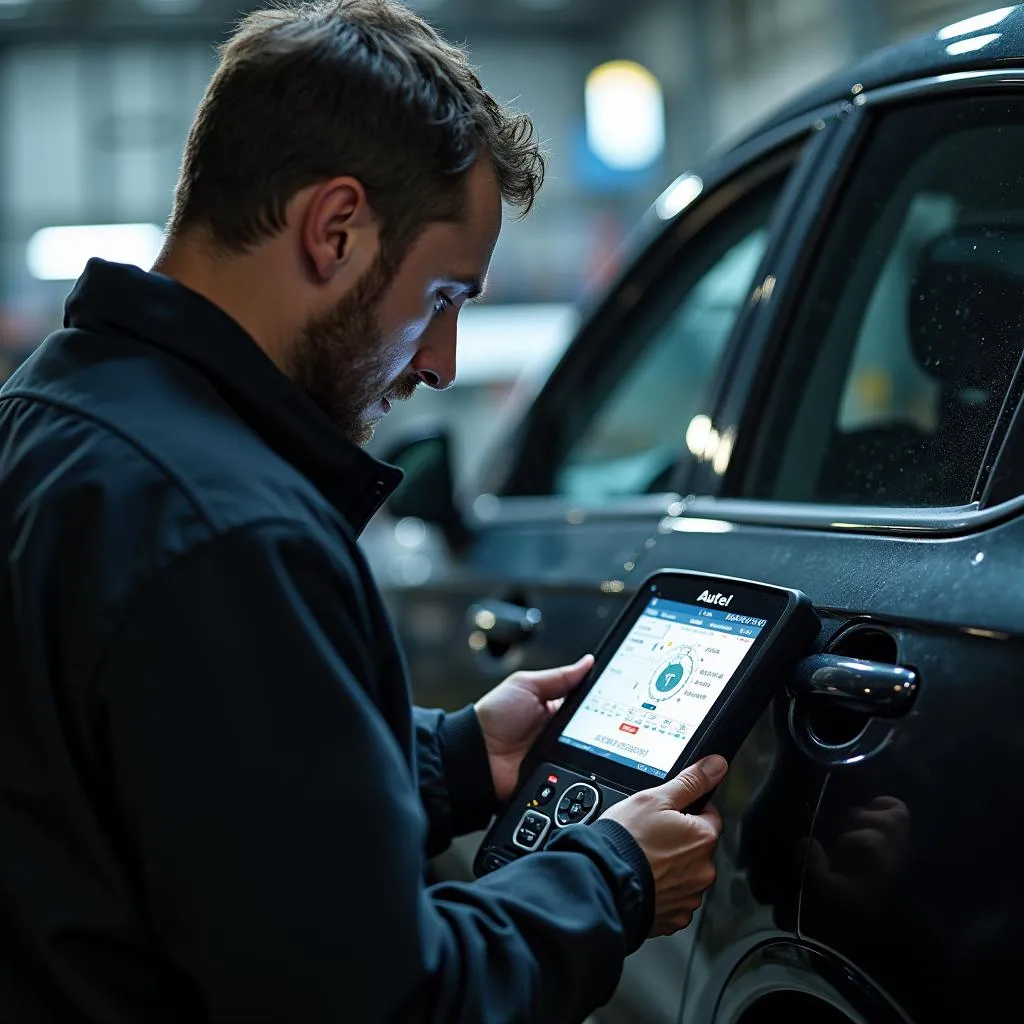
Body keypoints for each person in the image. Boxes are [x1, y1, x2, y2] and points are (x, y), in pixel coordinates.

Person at [0, 1, 727, 1021]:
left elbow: (188, 802)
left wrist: (462, 756)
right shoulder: (230, 531)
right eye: (440, 297)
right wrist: (611, 876)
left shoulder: (53, 413)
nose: (441, 363)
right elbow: (386, 1000)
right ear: (334, 228)